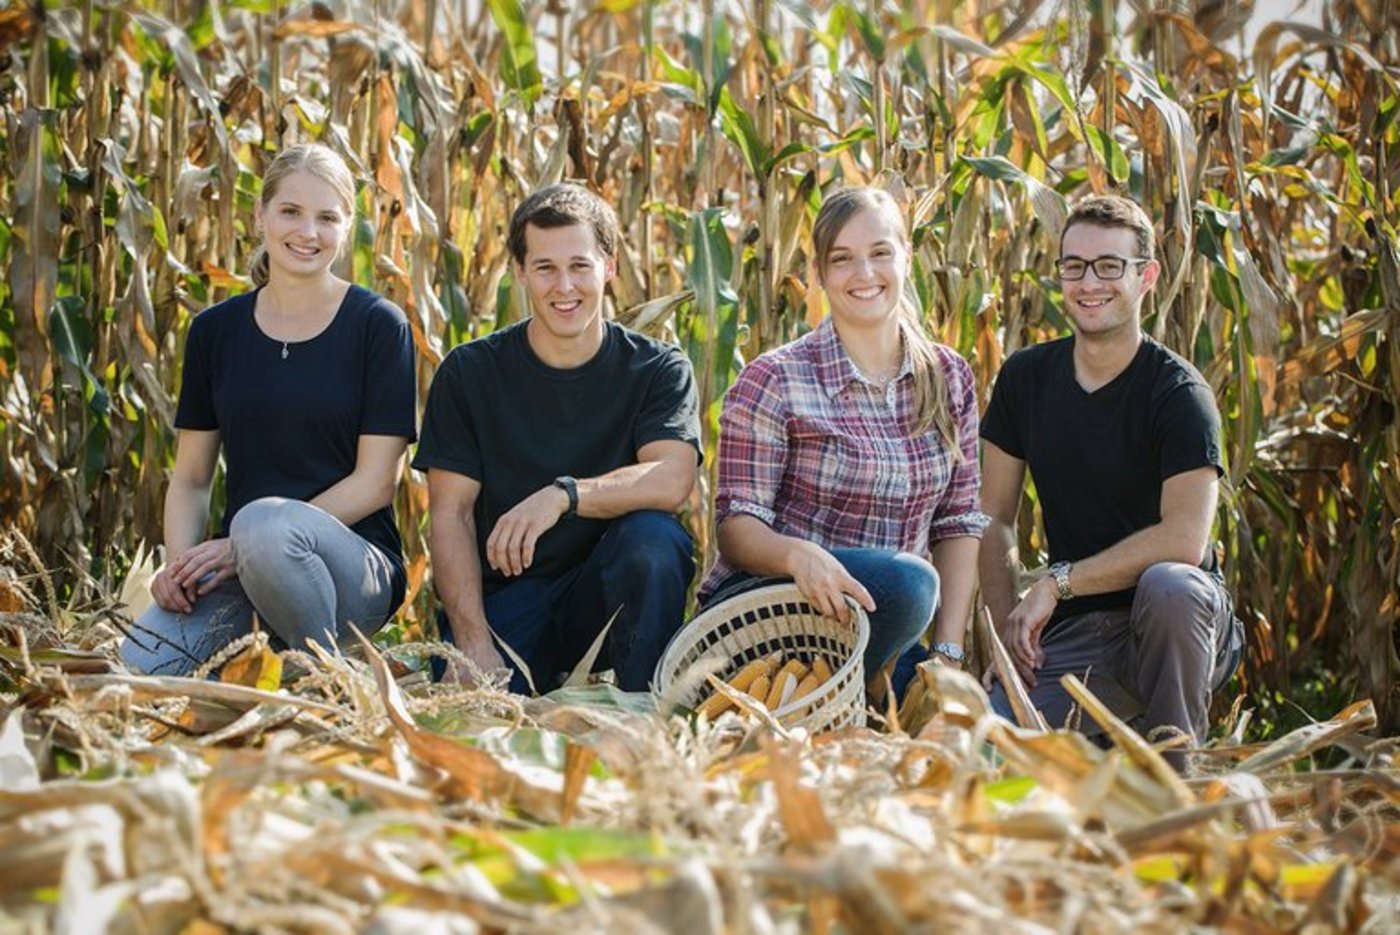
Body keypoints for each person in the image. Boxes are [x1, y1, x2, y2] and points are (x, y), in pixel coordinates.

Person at [121, 143, 417, 675]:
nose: (308, 232)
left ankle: (326, 672)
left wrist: (254, 539)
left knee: (263, 523)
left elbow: (376, 482)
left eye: (327, 217)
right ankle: (275, 658)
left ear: (346, 227)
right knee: (142, 668)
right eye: (291, 212)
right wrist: (179, 566)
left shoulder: (378, 325)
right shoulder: (216, 332)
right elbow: (190, 479)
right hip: (241, 568)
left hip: (353, 570)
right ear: (259, 216)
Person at [979, 194, 1244, 768]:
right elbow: (994, 517)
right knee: (992, 754)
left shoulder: (1179, 395)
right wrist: (1003, 641)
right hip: (1083, 630)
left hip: (1179, 624)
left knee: (1170, 584)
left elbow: (1184, 541)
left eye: (1108, 266)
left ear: (1145, 277)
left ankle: (1174, 777)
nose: (1088, 282)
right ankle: (1105, 732)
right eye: (1073, 265)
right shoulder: (1025, 379)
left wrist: (1057, 582)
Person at [698, 186, 986, 703]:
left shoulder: (949, 377)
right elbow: (736, 528)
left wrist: (947, 654)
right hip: (772, 619)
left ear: (907, 258)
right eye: (843, 259)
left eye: (880, 253)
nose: (864, 274)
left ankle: (861, 696)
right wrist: (797, 556)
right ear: (819, 274)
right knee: (910, 583)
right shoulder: (775, 379)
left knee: (983, 746)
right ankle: (817, 700)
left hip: (884, 632)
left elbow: (958, 523)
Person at [414, 183, 701, 694]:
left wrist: (563, 496)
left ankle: (645, 710)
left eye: (580, 266)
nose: (563, 286)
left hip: (608, 593)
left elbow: (672, 478)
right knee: (474, 716)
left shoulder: (657, 368)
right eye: (545, 268)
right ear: (520, 272)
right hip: (509, 594)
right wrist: (472, 641)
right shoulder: (471, 372)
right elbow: (450, 515)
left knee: (655, 541)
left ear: (608, 267)